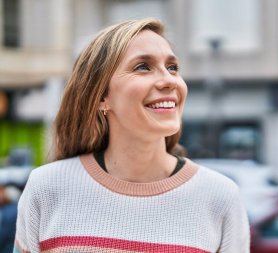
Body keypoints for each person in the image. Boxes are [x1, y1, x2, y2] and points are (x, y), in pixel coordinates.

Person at [13, 18, 250, 253]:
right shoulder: (46, 187)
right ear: (101, 97)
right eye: (143, 67)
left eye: (172, 68)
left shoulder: (220, 196)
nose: (169, 80)